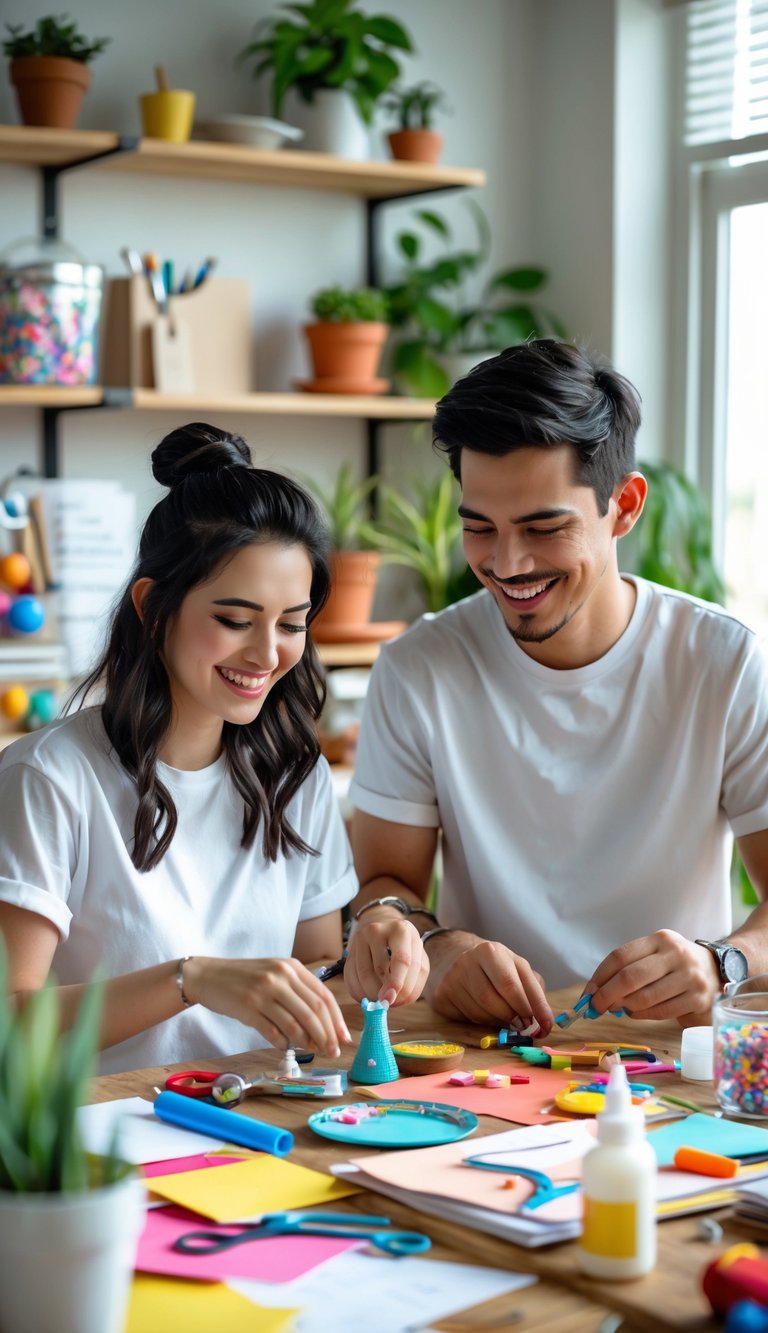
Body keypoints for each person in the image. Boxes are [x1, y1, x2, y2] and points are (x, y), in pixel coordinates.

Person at [346, 340, 768, 1035]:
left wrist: (726, 961)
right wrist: (439, 945)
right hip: (486, 1056)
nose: (509, 563)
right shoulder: (419, 667)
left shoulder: (722, 660)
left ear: (624, 507)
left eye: (545, 528)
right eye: (479, 528)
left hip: (671, 1058)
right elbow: (383, 889)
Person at [0, 422, 426, 1074]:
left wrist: (373, 949)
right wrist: (189, 980)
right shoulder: (49, 778)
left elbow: (313, 974)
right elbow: (12, 1020)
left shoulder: (295, 774)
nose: (266, 654)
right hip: (100, 1140)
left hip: (258, 1119)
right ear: (153, 606)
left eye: (291, 624)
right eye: (234, 620)